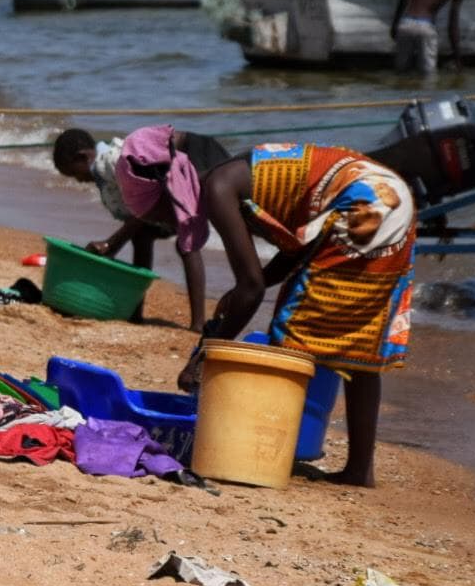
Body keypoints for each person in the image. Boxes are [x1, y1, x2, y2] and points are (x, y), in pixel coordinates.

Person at [116, 126, 415, 487]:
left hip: (365, 205)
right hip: (391, 196)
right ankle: (359, 470)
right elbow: (295, 250)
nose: (164, 224)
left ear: (173, 191)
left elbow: (251, 289)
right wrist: (248, 289)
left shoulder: (219, 188)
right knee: (359, 342)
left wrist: (202, 356)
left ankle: (264, 456)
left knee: (291, 331)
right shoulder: (238, 174)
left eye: (161, 214)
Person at [52, 127, 232, 330]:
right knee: (142, 236)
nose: (79, 180)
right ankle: (136, 312)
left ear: (82, 157)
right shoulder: (105, 170)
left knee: (187, 243)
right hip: (168, 181)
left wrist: (111, 243)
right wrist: (113, 244)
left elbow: (145, 202)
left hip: (195, 154)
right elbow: (140, 212)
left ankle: (198, 323)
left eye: (75, 174)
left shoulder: (113, 161)